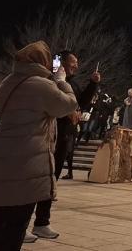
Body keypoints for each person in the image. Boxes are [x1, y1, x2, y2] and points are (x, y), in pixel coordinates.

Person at [0, 41, 78, 251]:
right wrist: (62, 81)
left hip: (5, 152)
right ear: (42, 61)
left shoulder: (8, 82)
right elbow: (68, 104)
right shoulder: (41, 85)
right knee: (17, 223)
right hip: (27, 158)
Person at [29, 50, 99, 241]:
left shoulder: (70, 82)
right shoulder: (49, 81)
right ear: (61, 63)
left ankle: (42, 222)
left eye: (77, 62)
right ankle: (23, 224)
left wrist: (93, 84)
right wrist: (67, 110)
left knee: (51, 180)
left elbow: (78, 103)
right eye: (73, 62)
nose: (76, 65)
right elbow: (57, 105)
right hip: (50, 135)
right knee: (38, 180)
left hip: (65, 136)